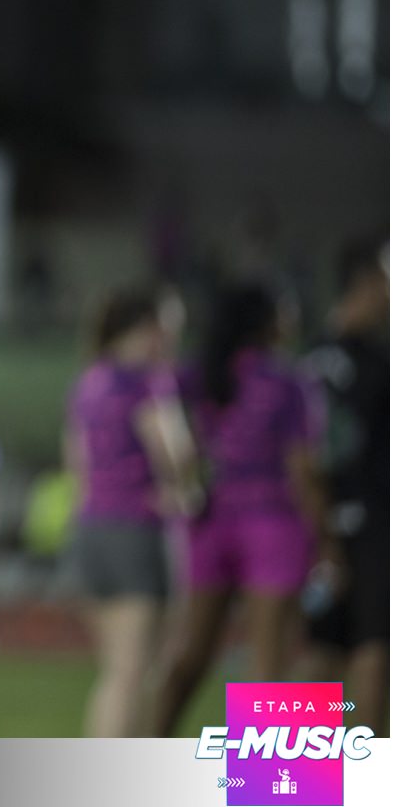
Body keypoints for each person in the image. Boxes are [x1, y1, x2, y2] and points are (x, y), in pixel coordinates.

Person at [152, 283, 331, 735]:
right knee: (269, 664)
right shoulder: (289, 381)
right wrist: (328, 538)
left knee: (190, 656)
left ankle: (143, 753)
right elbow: (302, 468)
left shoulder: (199, 373)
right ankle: (274, 779)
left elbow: (169, 435)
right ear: (268, 322)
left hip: (211, 521)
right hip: (275, 523)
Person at [65, 285, 200, 737]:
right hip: (138, 529)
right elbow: (174, 454)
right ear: (150, 327)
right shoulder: (147, 382)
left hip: (92, 529)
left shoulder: (89, 382)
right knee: (133, 675)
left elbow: (77, 464)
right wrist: (186, 489)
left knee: (116, 672)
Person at [301, 234, 388, 736]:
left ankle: (284, 774)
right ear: (367, 282)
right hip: (372, 524)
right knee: (375, 649)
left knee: (321, 648)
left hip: (314, 524)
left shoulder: (307, 357)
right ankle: (375, 772)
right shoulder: (377, 363)